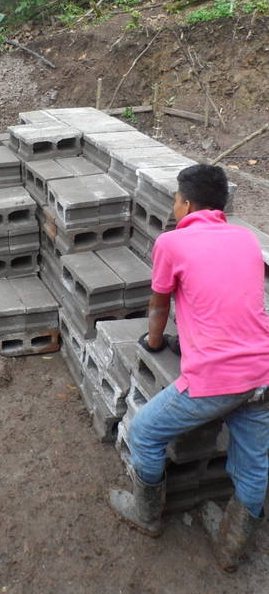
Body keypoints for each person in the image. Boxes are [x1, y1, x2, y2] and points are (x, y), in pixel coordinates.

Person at [109, 164, 269, 571]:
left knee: (144, 433)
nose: (175, 207)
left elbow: (160, 303)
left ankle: (146, 516)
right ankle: (231, 548)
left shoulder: (172, 243)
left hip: (217, 378)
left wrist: (156, 342)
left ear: (187, 204)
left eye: (177, 200)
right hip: (263, 372)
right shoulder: (246, 239)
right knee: (253, 466)